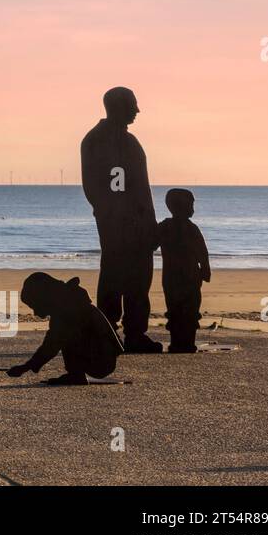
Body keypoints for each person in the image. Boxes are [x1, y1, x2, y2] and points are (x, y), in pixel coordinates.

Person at [80, 87, 162, 353]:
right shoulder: (104, 140)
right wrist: (117, 214)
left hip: (127, 221)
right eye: (133, 105)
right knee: (119, 276)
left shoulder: (122, 140)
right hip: (122, 223)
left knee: (134, 279)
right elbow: (105, 187)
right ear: (117, 106)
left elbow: (139, 188)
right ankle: (113, 332)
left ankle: (128, 332)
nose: (137, 110)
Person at [7, 272, 123, 385]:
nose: (36, 312)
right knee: (63, 334)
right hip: (104, 355)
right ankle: (76, 374)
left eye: (35, 306)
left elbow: (51, 346)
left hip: (100, 361)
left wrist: (26, 367)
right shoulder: (72, 301)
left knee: (62, 335)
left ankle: (76, 375)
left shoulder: (67, 312)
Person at [158, 188, 211, 353]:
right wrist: (205, 269)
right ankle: (182, 342)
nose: (193, 208)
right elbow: (202, 252)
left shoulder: (166, 227)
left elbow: (202, 251)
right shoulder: (188, 228)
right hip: (186, 276)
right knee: (181, 309)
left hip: (178, 276)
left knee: (185, 309)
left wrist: (205, 269)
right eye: (190, 204)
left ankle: (183, 342)